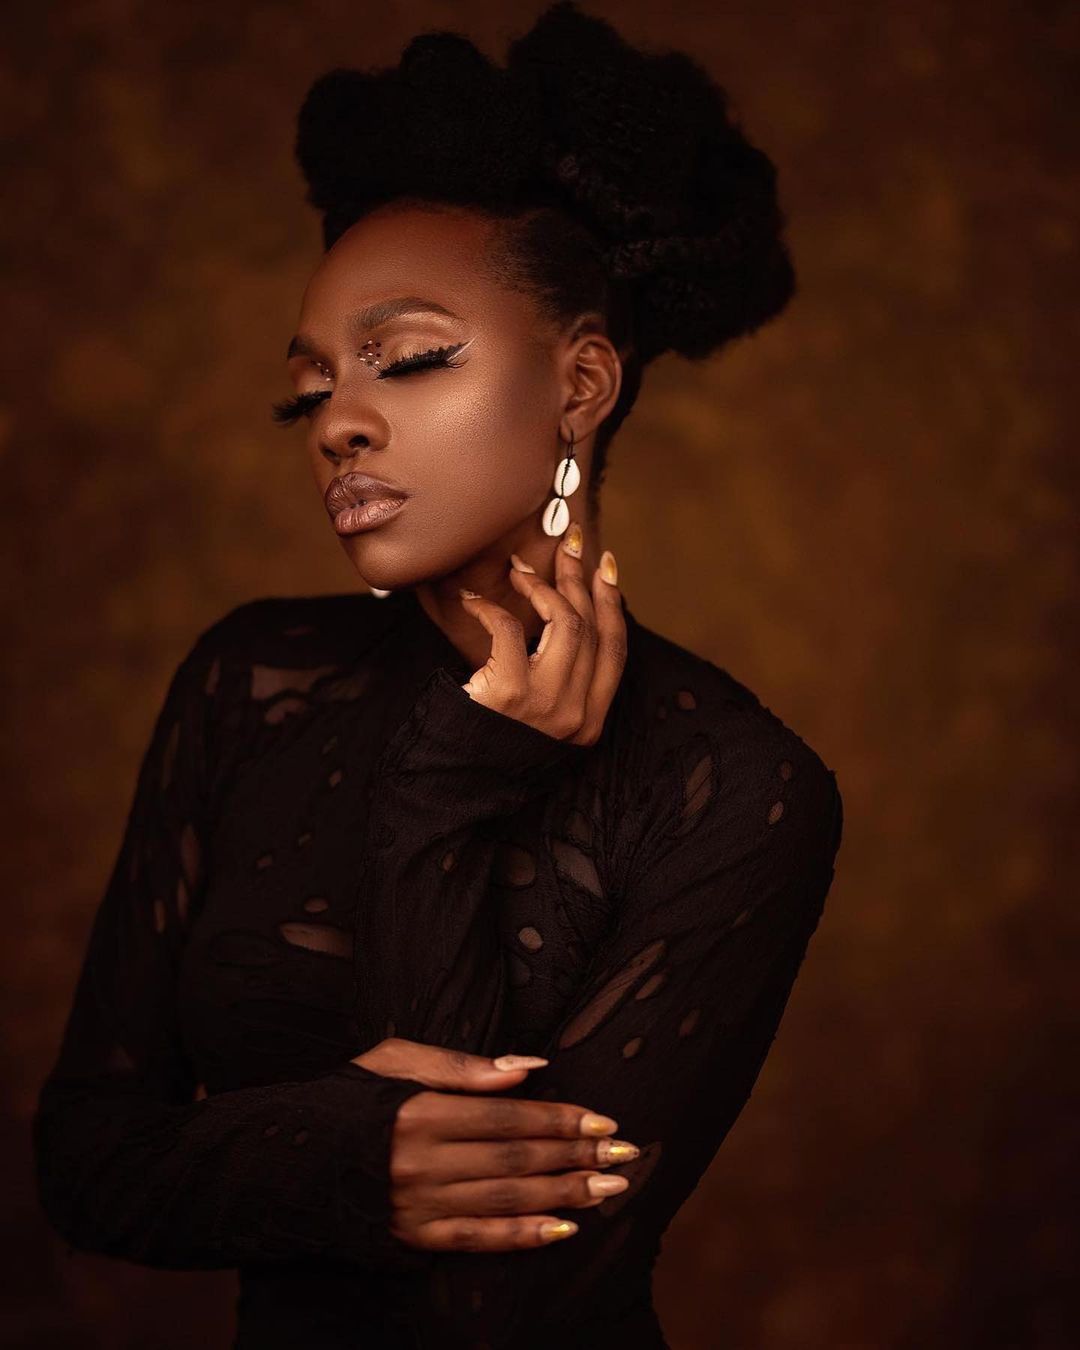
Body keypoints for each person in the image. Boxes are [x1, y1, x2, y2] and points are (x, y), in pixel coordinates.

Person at [31, 4, 844, 1347]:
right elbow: (82, 1159)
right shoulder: (250, 679)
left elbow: (508, 1288)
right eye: (309, 391)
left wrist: (451, 785)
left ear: (581, 382)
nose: (338, 423)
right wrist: (345, 1145)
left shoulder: (740, 789)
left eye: (408, 360)